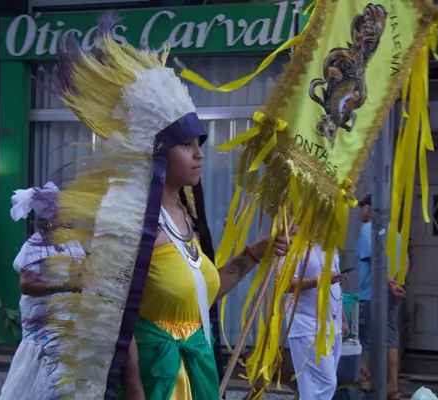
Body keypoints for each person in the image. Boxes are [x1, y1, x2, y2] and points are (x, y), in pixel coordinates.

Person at [30, 12, 299, 400]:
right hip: (157, 380)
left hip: (197, 369)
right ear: (155, 151)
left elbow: (204, 294)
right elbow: (111, 314)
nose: (198, 155)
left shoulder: (185, 217)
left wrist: (255, 252)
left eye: (199, 145)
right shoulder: (131, 223)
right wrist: (134, 386)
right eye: (185, 145)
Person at [0, 182, 86, 400]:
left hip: (69, 320)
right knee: (46, 375)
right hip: (44, 323)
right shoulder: (35, 245)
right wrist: (64, 286)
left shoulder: (71, 242)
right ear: (51, 216)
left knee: (65, 378)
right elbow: (27, 286)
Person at [356, 194, 411, 400]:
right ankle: (393, 387)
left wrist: (389, 283)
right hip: (393, 294)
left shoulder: (367, 230)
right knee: (391, 339)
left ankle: (367, 382)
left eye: (361, 207)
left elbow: (374, 261)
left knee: (366, 339)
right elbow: (406, 261)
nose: (359, 212)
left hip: (372, 295)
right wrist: (397, 283)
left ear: (369, 209)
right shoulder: (395, 233)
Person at [285, 243, 349, 399]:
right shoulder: (298, 245)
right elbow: (286, 284)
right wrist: (320, 280)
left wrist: (342, 319)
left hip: (332, 327)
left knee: (319, 387)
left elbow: (335, 287)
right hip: (307, 326)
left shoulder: (331, 247)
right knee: (325, 384)